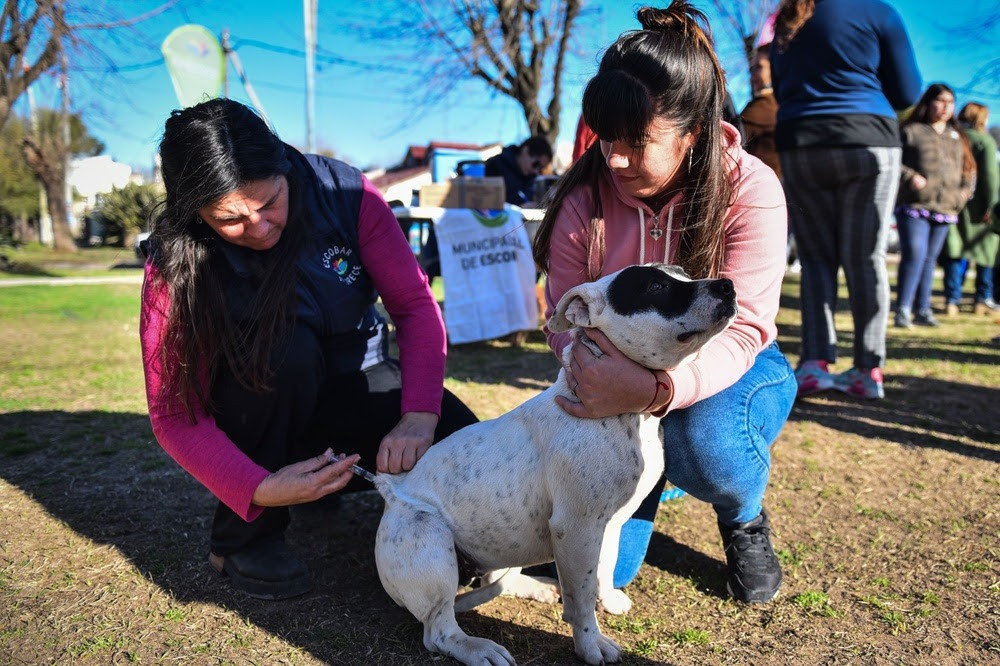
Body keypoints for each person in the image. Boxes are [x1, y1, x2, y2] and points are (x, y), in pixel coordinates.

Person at [139, 98, 478, 600]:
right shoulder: (175, 257)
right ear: (196, 213)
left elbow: (413, 305)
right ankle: (242, 539)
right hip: (262, 402)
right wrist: (260, 489)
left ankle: (350, 490)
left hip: (354, 375)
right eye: (230, 219)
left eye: (269, 202)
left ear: (285, 166)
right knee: (284, 351)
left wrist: (419, 416)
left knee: (462, 440)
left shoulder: (343, 193)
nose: (258, 228)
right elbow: (172, 415)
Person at [532, 1, 797, 604]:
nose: (615, 159)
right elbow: (562, 321)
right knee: (610, 578)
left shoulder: (750, 188)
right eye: (606, 139)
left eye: (638, 141)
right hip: (617, 383)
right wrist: (601, 375)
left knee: (705, 448)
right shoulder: (584, 199)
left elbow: (744, 327)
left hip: (736, 368)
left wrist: (655, 393)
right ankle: (648, 470)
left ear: (694, 134)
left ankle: (742, 513)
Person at [770, 0, 921, 400]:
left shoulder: (788, 14)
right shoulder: (878, 12)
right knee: (866, 257)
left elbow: (781, 86)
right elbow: (907, 92)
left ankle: (815, 364)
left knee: (816, 257)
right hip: (866, 139)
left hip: (801, 143)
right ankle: (868, 368)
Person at [894, 83, 975, 328]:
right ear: (928, 103)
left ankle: (923, 309)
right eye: (940, 101)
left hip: (946, 208)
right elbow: (893, 161)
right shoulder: (911, 131)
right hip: (914, 204)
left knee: (930, 259)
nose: (945, 107)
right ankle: (903, 309)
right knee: (915, 254)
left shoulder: (957, 137)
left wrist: (962, 195)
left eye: (950, 102)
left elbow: (969, 171)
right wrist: (910, 177)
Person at [942, 102, 1000, 315]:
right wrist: (990, 206)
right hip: (979, 208)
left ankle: (951, 299)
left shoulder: (951, 137)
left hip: (953, 202)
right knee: (985, 254)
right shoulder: (984, 141)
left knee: (955, 252)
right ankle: (982, 299)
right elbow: (990, 177)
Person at [484, 135, 553, 207]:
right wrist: (518, 209)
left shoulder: (533, 179)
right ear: (525, 150)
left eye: (541, 168)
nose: (536, 171)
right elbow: (486, 204)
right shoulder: (495, 165)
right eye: (536, 164)